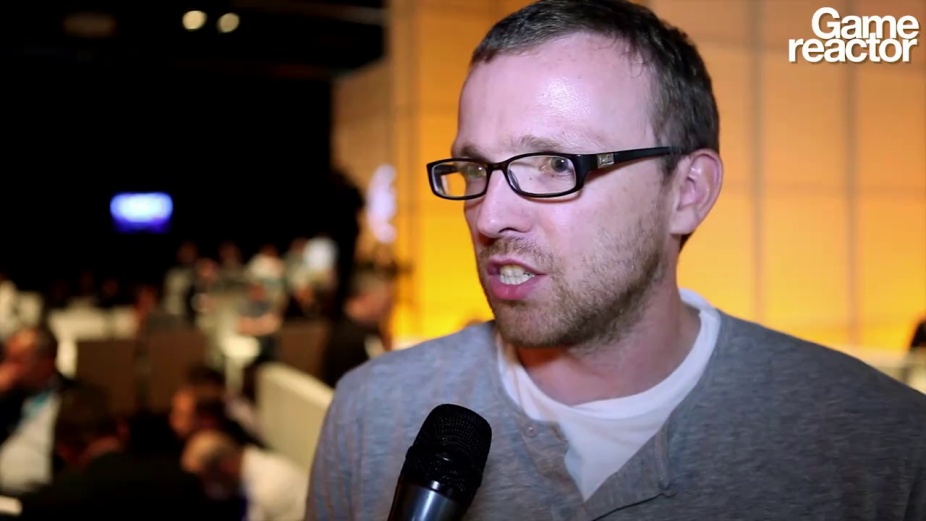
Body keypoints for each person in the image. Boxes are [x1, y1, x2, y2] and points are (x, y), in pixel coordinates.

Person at [307, 1, 926, 520]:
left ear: (687, 192)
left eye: (554, 164)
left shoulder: (881, 446)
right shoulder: (375, 413)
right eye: (475, 168)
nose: (489, 217)